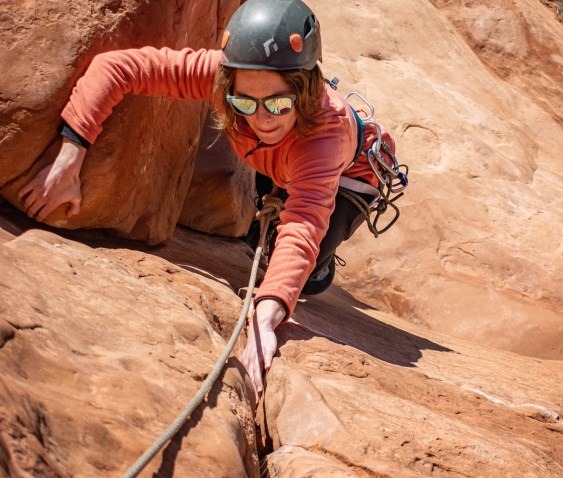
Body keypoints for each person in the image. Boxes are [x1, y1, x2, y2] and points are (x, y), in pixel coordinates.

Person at [17, 0, 396, 398]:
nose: (262, 118)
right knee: (266, 214)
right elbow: (120, 67)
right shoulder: (225, 77)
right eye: (244, 102)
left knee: (300, 272)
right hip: (280, 160)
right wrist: (71, 151)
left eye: (279, 103)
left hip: (350, 173)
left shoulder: (325, 134)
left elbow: (303, 225)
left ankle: (319, 268)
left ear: (304, 93)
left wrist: (267, 316)